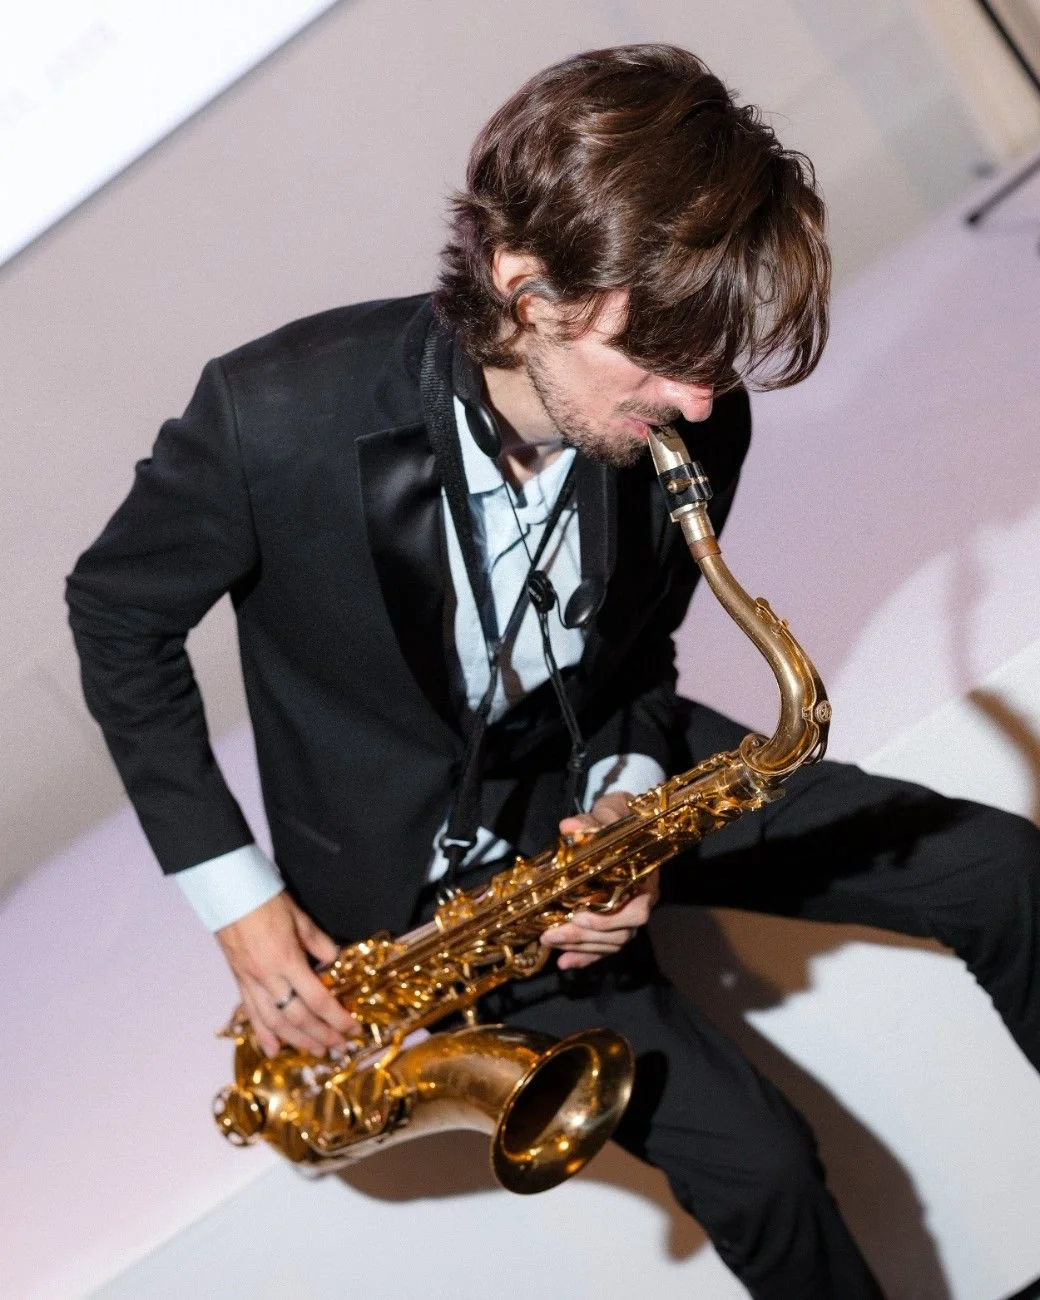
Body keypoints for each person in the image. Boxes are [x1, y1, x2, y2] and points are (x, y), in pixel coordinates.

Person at [66, 44, 1040, 1300]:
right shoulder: (274, 417)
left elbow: (637, 649)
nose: (697, 401)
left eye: (715, 361)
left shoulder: (687, 406)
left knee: (1005, 872)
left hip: (600, 780)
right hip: (418, 892)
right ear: (528, 290)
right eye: (664, 357)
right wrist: (233, 897)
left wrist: (632, 797)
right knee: (760, 1171)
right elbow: (113, 616)